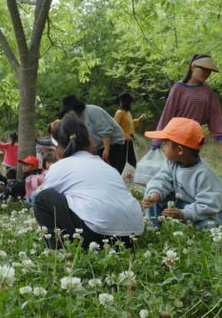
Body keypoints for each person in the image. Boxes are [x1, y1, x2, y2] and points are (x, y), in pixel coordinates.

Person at [32, 114, 144, 249]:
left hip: (97, 236)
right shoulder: (107, 167)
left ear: (57, 150)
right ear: (88, 143)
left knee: (42, 198)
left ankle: (56, 250)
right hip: (133, 235)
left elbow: (42, 198)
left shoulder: (59, 167)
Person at [141, 117, 222, 229]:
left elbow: (208, 205)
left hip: (199, 211)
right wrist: (155, 194)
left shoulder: (204, 174)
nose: (163, 147)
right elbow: (161, 179)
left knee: (209, 225)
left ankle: (193, 228)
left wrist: (183, 214)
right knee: (151, 194)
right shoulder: (171, 163)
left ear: (179, 150)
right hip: (179, 204)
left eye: (165, 143)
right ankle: (152, 227)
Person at [152, 54, 222, 151]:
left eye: (209, 71)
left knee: (191, 164)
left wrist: (221, 136)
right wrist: (156, 141)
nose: (206, 73)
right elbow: (167, 114)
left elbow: (214, 115)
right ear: (193, 66)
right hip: (176, 137)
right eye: (203, 69)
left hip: (195, 138)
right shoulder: (178, 88)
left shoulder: (207, 90)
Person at [59, 95, 126, 173]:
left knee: (112, 169)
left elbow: (105, 130)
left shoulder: (93, 111)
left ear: (75, 108)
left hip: (113, 143)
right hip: (98, 146)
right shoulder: (77, 118)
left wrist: (106, 149)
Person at [114, 92, 147, 168]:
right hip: (122, 141)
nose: (131, 105)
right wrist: (125, 136)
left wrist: (139, 120)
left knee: (131, 160)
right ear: (127, 103)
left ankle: (134, 175)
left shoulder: (127, 113)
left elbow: (130, 125)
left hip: (130, 140)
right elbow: (115, 127)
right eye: (131, 103)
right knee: (123, 161)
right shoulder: (119, 113)